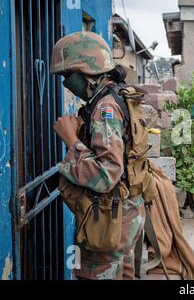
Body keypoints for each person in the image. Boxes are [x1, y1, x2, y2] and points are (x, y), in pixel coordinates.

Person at [50, 31, 145, 279]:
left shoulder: (105, 108)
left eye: (66, 76)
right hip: (126, 213)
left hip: (109, 219)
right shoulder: (117, 94)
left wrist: (70, 140)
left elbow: (107, 175)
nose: (65, 83)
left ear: (86, 71)